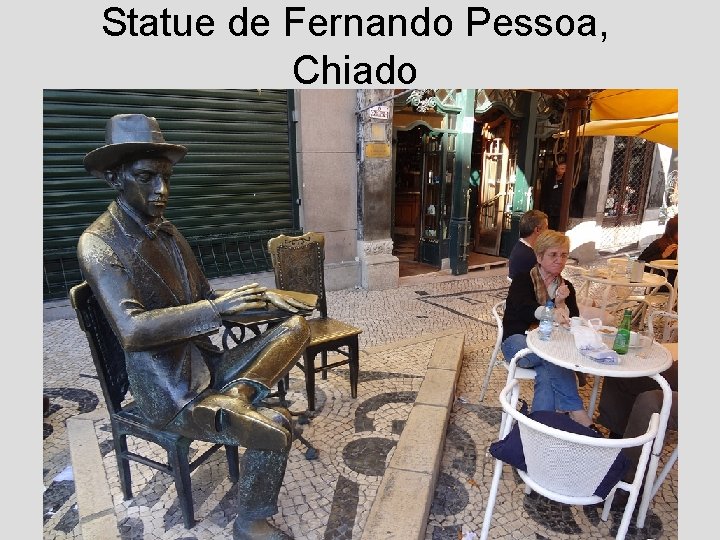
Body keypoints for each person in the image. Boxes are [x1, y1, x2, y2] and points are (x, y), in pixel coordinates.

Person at [77, 113, 313, 540]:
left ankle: (239, 394)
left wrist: (260, 303)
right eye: (147, 177)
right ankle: (250, 523)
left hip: (208, 365)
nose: (161, 191)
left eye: (166, 178)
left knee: (296, 327)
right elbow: (131, 330)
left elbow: (205, 298)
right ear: (115, 178)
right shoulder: (98, 243)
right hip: (169, 391)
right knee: (275, 425)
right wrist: (217, 311)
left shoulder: (169, 234)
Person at [501, 229, 595, 429]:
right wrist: (551, 311)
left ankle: (539, 429)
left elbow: (573, 322)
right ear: (539, 256)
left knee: (547, 370)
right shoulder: (523, 280)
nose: (559, 260)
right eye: (553, 255)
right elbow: (524, 310)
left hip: (549, 347)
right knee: (555, 359)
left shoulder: (566, 287)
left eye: (563, 255)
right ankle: (575, 409)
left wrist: (561, 304)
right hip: (517, 343)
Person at [639, 214, 679, 287]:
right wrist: (663, 255)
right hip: (664, 284)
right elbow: (640, 263)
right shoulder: (660, 244)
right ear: (673, 231)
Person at [507, 210, 548, 279]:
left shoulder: (521, 246)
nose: (548, 231)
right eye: (546, 227)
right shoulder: (530, 256)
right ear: (537, 230)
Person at [540, 159, 567, 230]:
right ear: (556, 169)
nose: (563, 171)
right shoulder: (550, 179)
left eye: (564, 169)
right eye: (561, 168)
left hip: (560, 210)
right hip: (549, 209)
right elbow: (544, 193)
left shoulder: (567, 181)